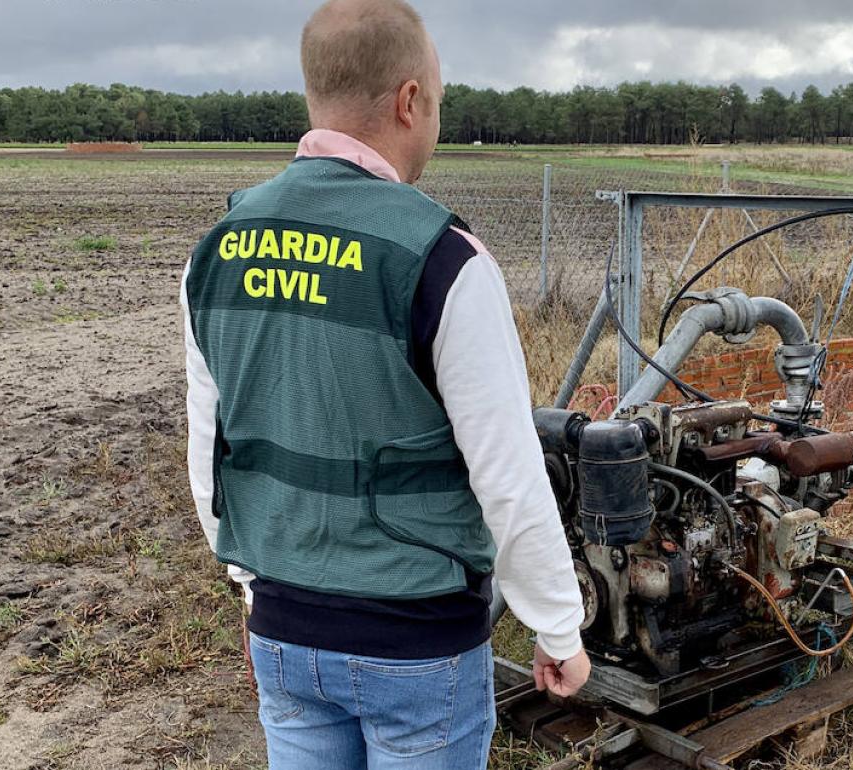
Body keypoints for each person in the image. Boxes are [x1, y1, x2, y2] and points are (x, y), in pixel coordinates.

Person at [180, 1, 589, 767]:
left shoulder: (216, 250)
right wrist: (557, 627)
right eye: (435, 100)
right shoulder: (443, 260)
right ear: (409, 101)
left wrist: (251, 585)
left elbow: (212, 451)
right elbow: (506, 471)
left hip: (283, 630)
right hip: (415, 645)